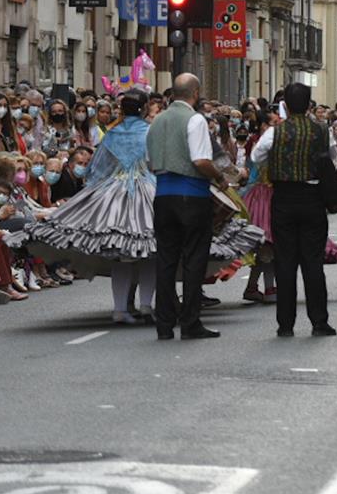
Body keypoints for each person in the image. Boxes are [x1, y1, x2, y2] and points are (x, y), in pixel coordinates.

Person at [27, 91, 157, 325]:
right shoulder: (151, 132)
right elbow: (157, 162)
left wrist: (97, 193)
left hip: (113, 194)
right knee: (149, 251)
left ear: (122, 109)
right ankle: (146, 305)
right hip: (147, 191)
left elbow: (97, 169)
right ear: (145, 109)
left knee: (121, 255)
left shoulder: (112, 134)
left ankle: (120, 309)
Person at [247, 81, 336, 338]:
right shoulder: (322, 130)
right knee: (313, 262)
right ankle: (319, 321)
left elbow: (256, 157)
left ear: (284, 104)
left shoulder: (275, 132)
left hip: (283, 198)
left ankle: (285, 324)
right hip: (312, 197)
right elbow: (331, 158)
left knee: (285, 262)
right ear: (309, 105)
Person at [145, 73, 224, 341]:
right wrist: (220, 177)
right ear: (196, 92)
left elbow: (149, 162)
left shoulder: (156, 122)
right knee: (193, 260)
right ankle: (190, 322)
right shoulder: (195, 119)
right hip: (191, 196)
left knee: (165, 260)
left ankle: (164, 324)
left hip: (163, 196)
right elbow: (201, 160)